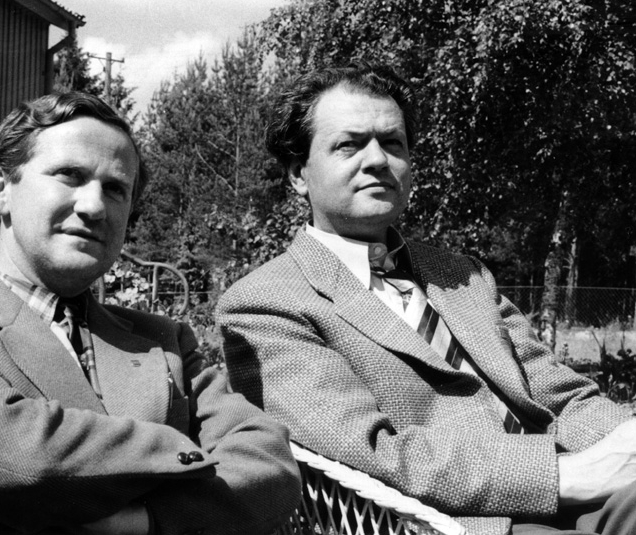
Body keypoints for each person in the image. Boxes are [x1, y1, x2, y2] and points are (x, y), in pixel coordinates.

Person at [215, 64, 636, 535]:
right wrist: (564, 476)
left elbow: (562, 396)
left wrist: (623, 442)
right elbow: (373, 452)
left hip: (580, 492)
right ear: (298, 174)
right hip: (457, 523)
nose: (378, 160)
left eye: (392, 143)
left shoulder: (462, 275)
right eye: (349, 145)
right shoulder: (264, 304)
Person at [0, 92, 301, 535]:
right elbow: (24, 456)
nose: (94, 206)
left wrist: (146, 521)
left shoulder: (165, 340)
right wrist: (192, 458)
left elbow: (270, 467)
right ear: (0, 190)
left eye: (115, 189)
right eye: (70, 175)